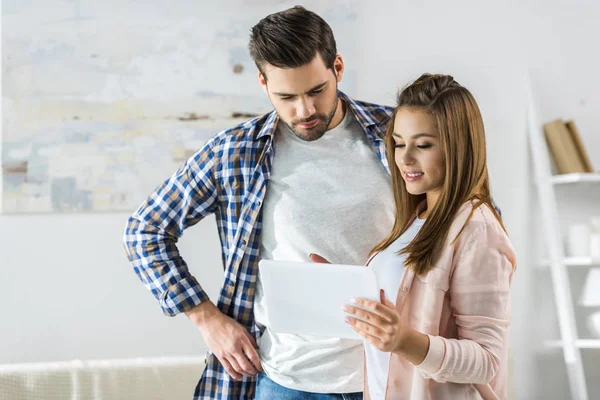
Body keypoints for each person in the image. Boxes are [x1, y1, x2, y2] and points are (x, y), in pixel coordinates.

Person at [123, 5, 397, 400]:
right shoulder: (235, 152)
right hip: (286, 382)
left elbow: (467, 220)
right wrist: (206, 319)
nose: (305, 111)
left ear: (337, 68)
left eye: (316, 90)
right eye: (286, 96)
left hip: (392, 376)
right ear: (262, 82)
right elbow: (144, 231)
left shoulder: (397, 135)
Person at [314, 73, 516, 399]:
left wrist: (403, 341)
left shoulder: (476, 230)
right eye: (398, 143)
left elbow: (486, 361)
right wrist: (343, 287)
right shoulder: (416, 219)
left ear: (459, 147)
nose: (405, 158)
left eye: (422, 145)